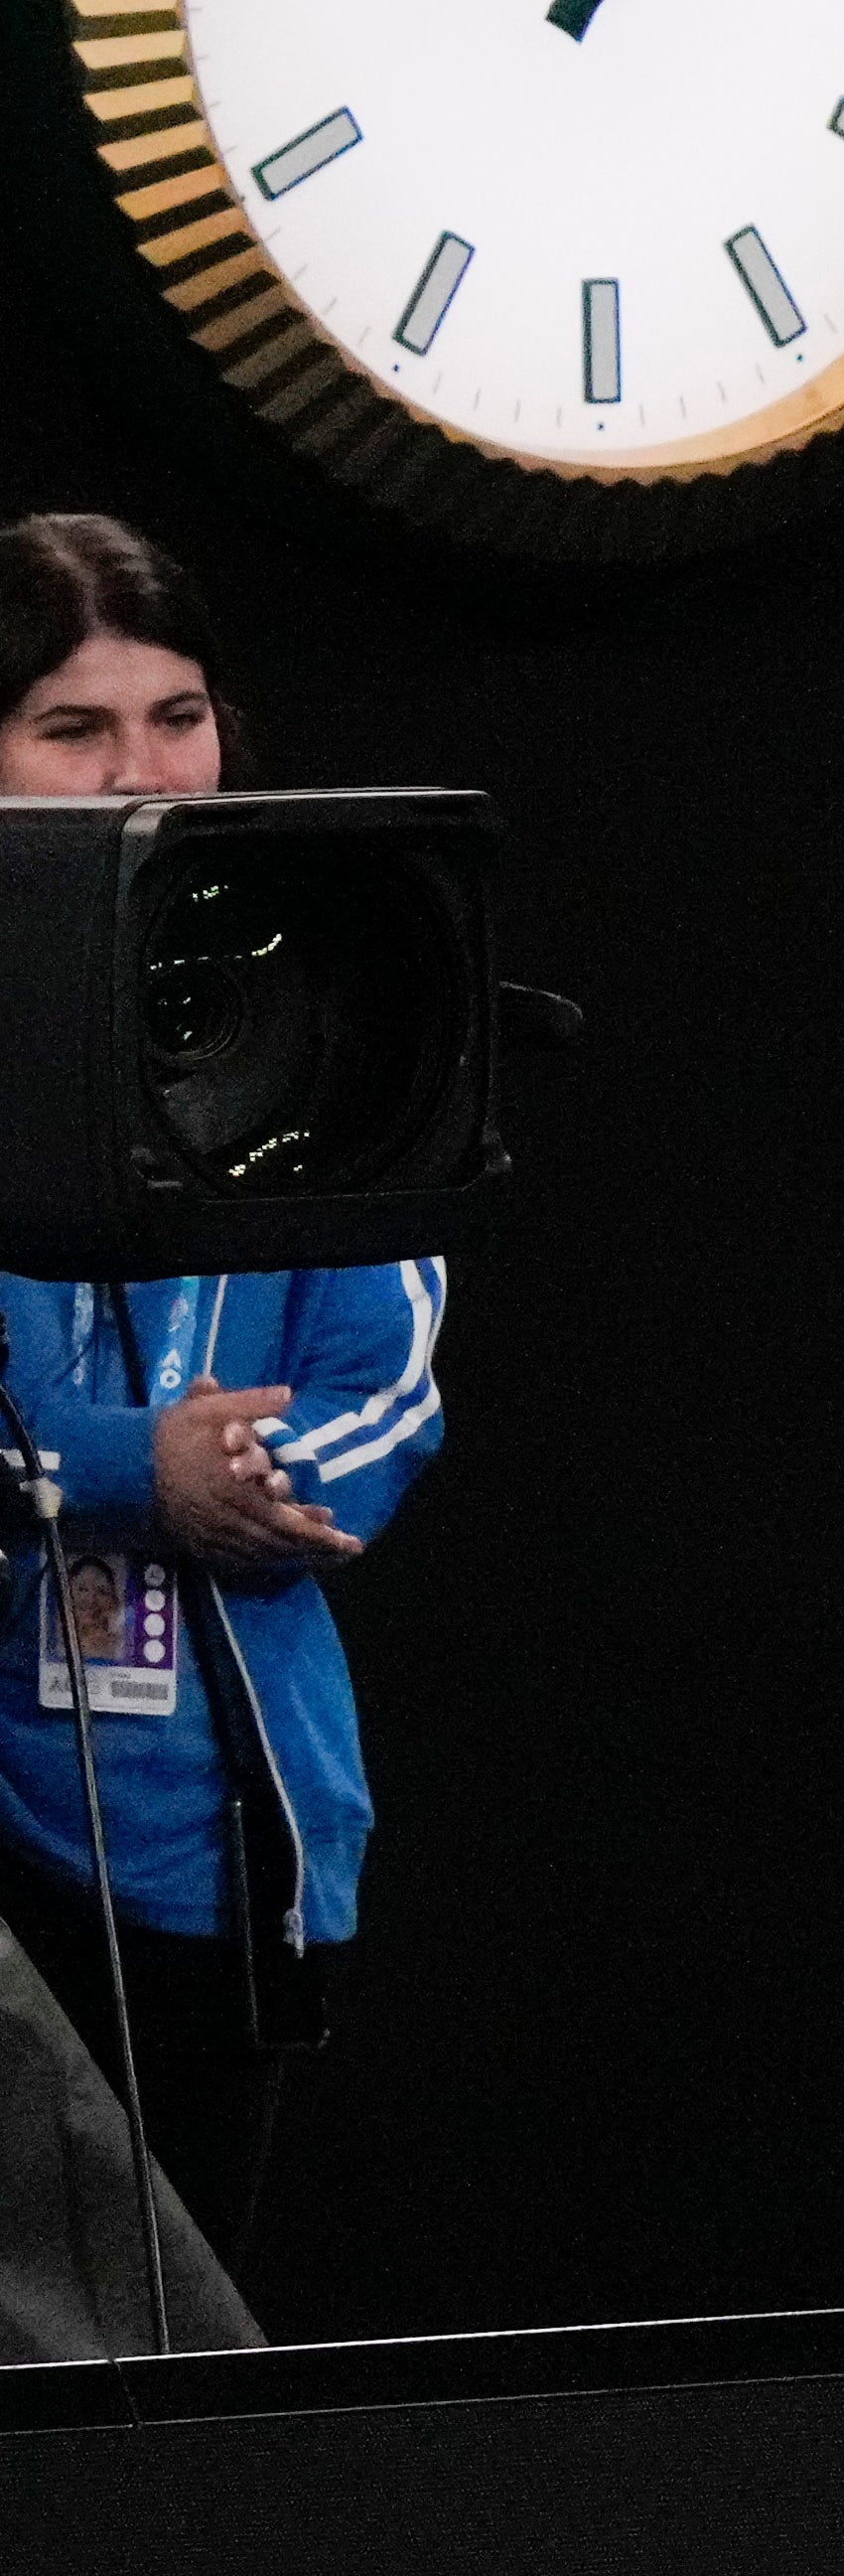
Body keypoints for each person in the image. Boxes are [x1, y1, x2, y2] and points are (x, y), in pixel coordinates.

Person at [0, 517, 451, 2274]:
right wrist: (123, 1466)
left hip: (220, 1859)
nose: (141, 774)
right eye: (72, 730)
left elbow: (385, 1385)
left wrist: (241, 1483)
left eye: (176, 717)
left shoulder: (324, 1018)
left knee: (180, 2411)